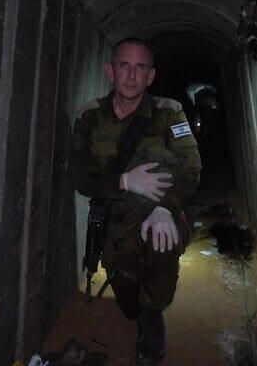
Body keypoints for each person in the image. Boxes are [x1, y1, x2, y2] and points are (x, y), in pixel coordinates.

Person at [71, 37, 201, 365]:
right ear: (110, 72)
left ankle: (154, 318)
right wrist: (124, 181)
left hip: (159, 214)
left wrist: (165, 207)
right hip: (114, 222)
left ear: (151, 76)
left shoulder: (170, 113)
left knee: (160, 244)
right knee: (129, 306)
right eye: (124, 66)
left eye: (140, 67)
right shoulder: (89, 117)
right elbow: (80, 178)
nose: (131, 75)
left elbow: (192, 166)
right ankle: (137, 296)